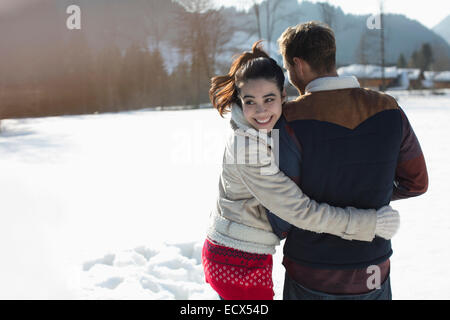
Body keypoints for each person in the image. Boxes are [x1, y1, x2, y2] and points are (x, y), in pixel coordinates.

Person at [201, 41, 401, 300]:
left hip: (242, 252)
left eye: (269, 99)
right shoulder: (247, 148)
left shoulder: (262, 134)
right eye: (250, 101)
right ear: (240, 101)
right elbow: (300, 211)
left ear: (284, 97)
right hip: (236, 261)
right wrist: (369, 224)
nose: (261, 111)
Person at [271, 21, 428, 300]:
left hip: (311, 270)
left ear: (299, 65)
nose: (288, 75)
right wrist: (374, 193)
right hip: (373, 270)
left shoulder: (289, 118)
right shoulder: (389, 109)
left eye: (286, 68)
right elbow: (416, 183)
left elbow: (282, 212)